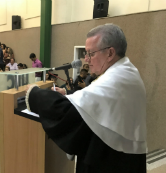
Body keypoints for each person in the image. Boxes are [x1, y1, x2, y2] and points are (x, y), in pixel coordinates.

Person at [25, 24, 146, 173]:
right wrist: (69, 94)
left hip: (109, 160)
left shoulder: (115, 79)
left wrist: (33, 93)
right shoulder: (126, 71)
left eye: (90, 53)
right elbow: (95, 100)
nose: (86, 60)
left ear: (110, 53)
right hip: (123, 155)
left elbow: (66, 112)